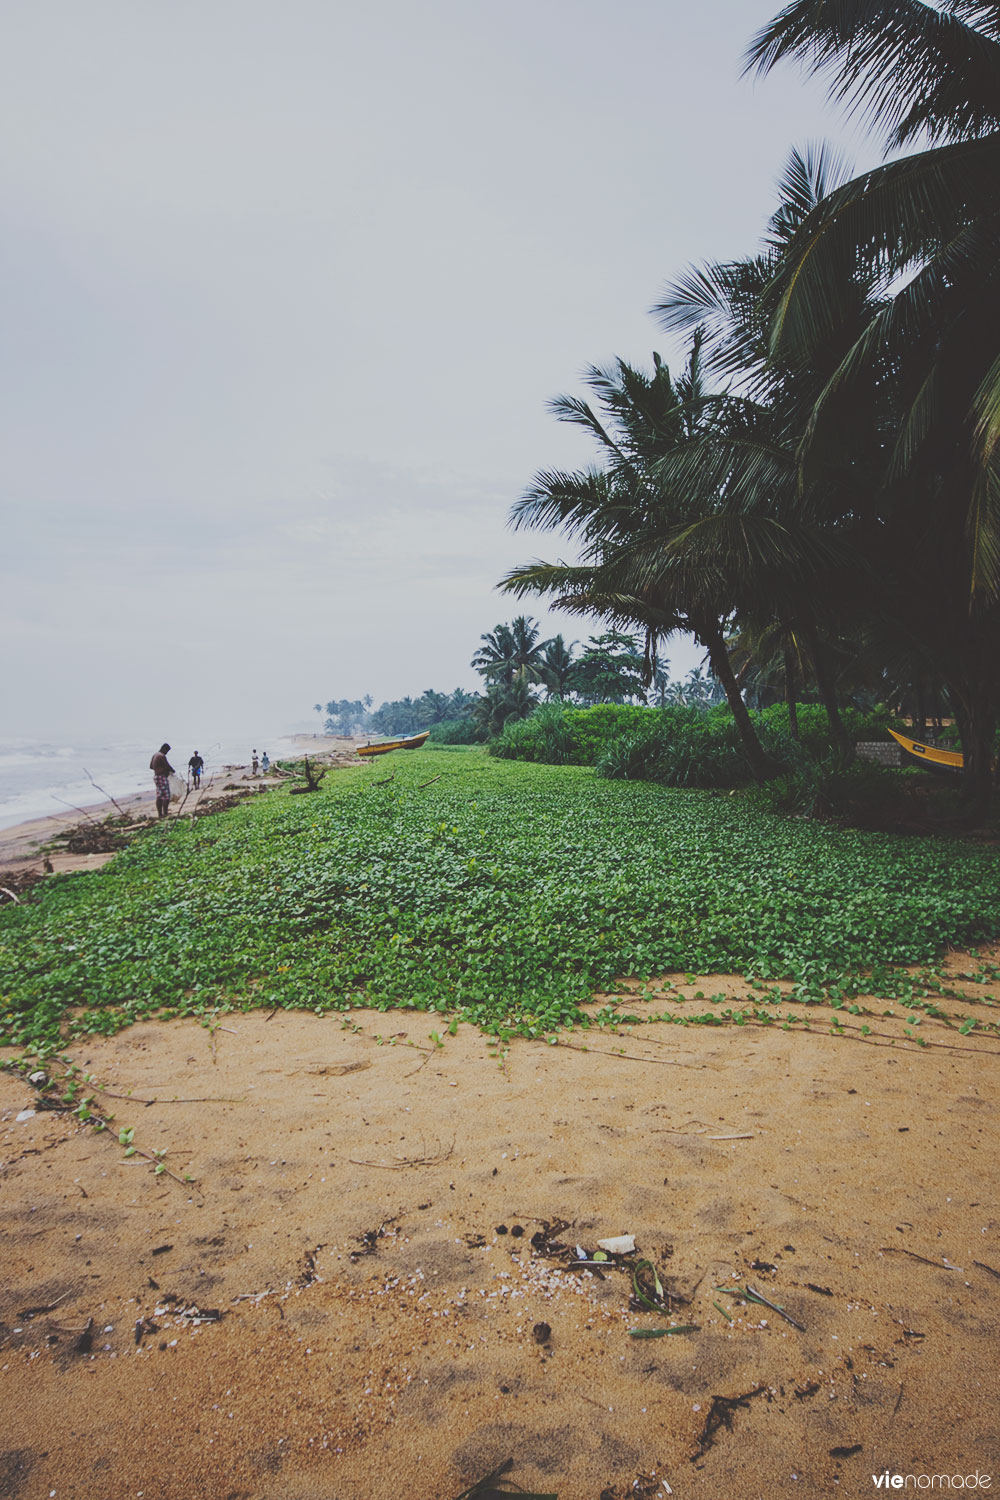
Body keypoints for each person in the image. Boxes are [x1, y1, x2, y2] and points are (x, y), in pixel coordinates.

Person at [150, 743, 176, 819]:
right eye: (167, 751)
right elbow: (168, 766)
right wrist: (172, 770)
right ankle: (165, 813)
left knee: (159, 796)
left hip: (156, 776)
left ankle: (160, 814)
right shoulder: (162, 756)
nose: (167, 753)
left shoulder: (155, 755)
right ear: (164, 749)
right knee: (166, 796)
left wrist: (158, 768)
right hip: (162, 777)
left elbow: (151, 766)